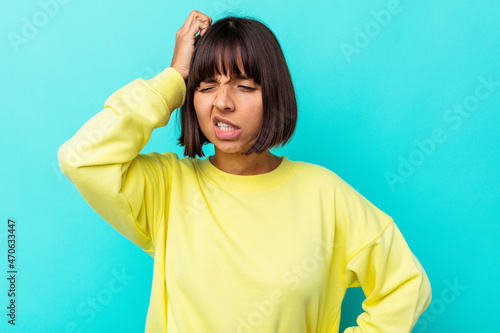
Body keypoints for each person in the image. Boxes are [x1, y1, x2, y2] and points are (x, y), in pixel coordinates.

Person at [58, 10, 432, 333]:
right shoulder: (167, 189)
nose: (223, 102)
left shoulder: (325, 195)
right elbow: (82, 157)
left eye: (244, 86)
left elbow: (405, 286)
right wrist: (173, 78)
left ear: (274, 95)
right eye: (206, 86)